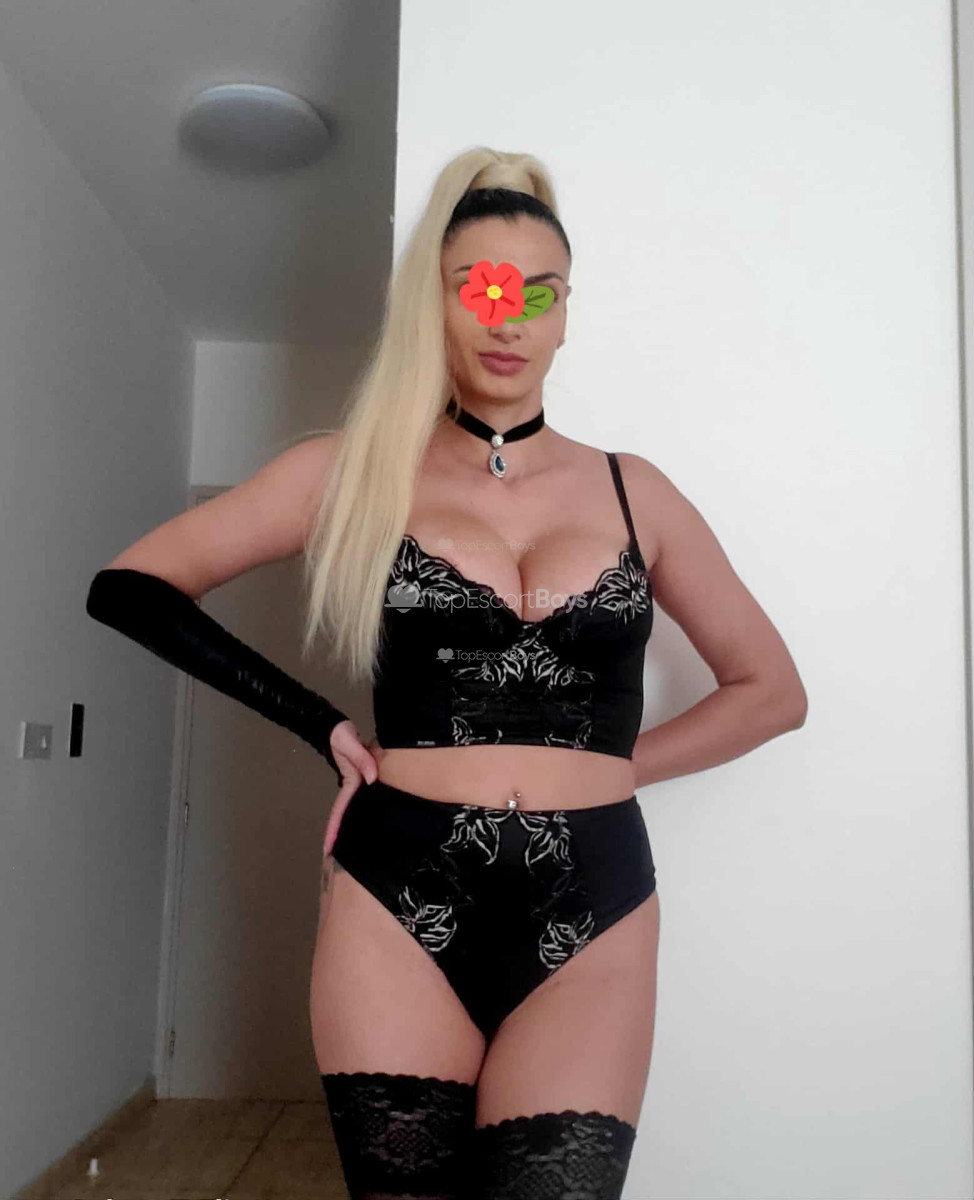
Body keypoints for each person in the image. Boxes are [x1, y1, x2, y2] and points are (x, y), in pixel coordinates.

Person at [86, 147, 808, 1200]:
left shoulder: (634, 490)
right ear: (437, 302)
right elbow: (131, 588)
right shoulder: (354, 471)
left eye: (537, 292)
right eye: (480, 287)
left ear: (565, 315)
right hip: (398, 897)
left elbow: (772, 692)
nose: (508, 318)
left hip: (592, 904)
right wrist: (319, 724)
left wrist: (619, 769)